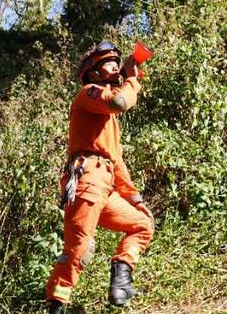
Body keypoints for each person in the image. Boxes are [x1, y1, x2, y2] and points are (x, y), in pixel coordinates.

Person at [45, 41, 154, 312]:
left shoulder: (107, 120)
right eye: (108, 62)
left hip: (105, 185)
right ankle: (55, 306)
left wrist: (135, 199)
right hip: (87, 180)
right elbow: (120, 101)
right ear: (92, 72)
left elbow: (116, 162)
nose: (115, 65)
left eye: (116, 60)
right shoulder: (88, 93)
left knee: (142, 224)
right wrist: (131, 79)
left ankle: (121, 282)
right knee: (79, 250)